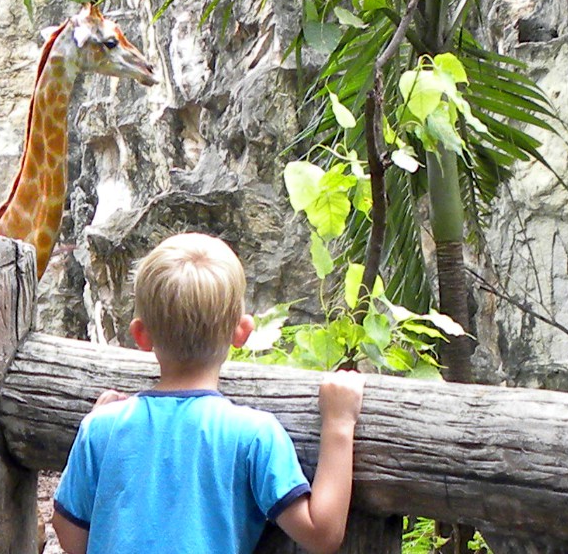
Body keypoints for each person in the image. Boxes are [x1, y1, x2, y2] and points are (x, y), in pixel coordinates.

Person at [52, 232, 366, 554]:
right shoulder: (255, 435)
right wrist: (339, 423)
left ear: (141, 335)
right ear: (241, 331)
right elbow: (321, 534)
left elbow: (68, 532)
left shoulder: (101, 428)